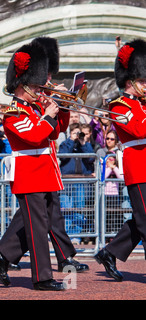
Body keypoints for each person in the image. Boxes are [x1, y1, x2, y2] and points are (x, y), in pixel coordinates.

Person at [0, 37, 89, 290]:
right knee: (36, 230)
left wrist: (62, 109)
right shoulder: (14, 113)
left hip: (45, 173)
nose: (41, 89)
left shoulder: (35, 109)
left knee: (42, 225)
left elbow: (55, 133)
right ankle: (42, 278)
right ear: (24, 84)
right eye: (36, 85)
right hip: (30, 175)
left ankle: (4, 254)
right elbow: (35, 136)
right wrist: (47, 115)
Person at [95, 39, 146, 282]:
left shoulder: (141, 104)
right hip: (138, 168)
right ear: (130, 81)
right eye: (143, 80)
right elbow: (137, 131)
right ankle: (109, 252)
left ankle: (110, 252)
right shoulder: (118, 105)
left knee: (141, 219)